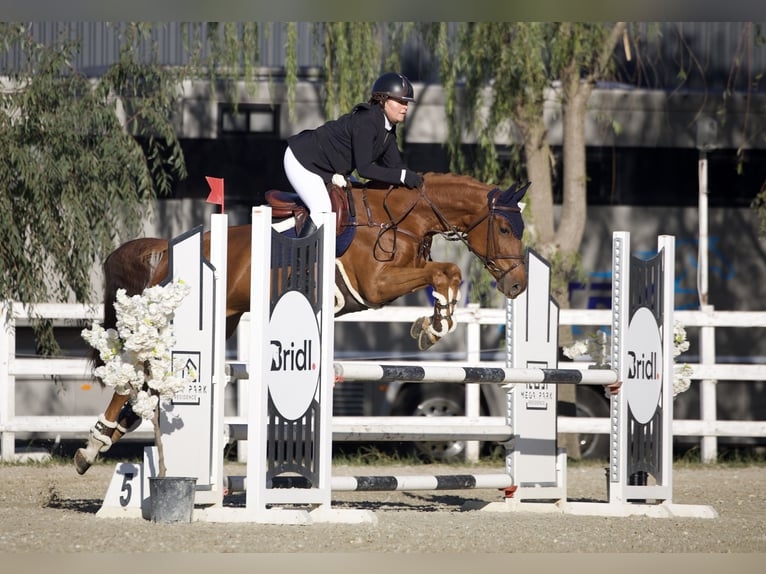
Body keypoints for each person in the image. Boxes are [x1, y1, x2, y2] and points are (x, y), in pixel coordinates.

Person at [284, 72, 423, 236]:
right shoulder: (367, 121)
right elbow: (364, 169)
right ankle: (302, 259)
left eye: (407, 103)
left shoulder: (388, 129)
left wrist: (415, 180)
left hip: (326, 167)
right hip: (303, 160)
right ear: (383, 99)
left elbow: (396, 167)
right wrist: (402, 176)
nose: (405, 107)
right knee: (322, 209)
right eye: (400, 101)